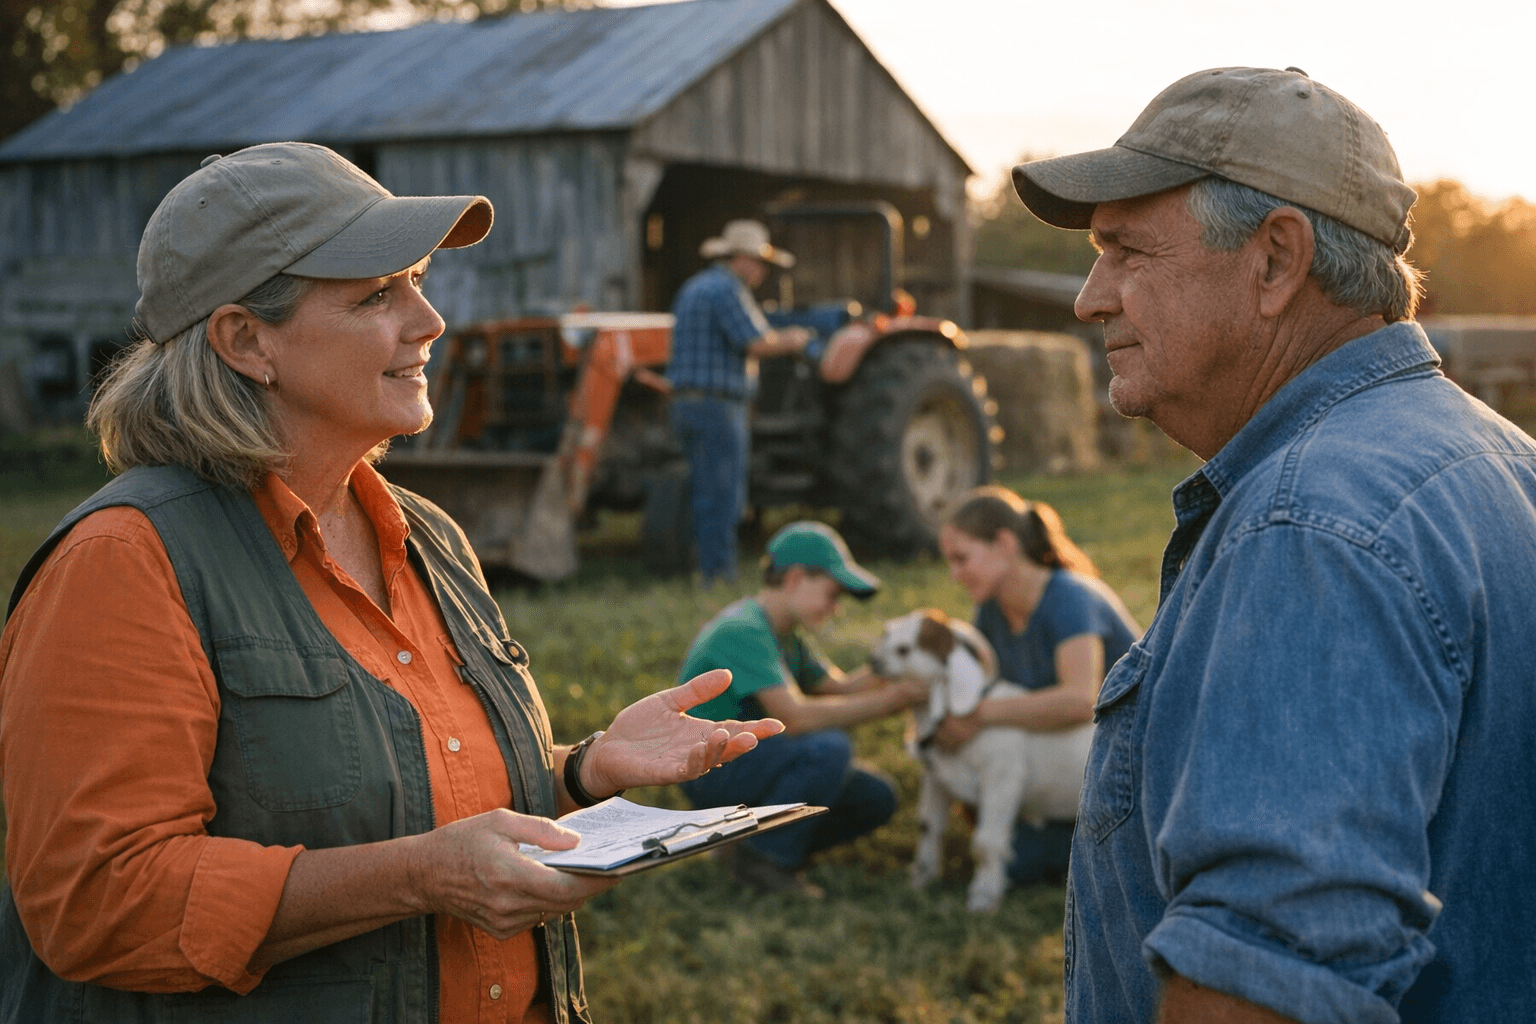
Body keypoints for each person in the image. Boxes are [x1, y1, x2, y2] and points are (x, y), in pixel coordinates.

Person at [0, 142, 783, 1024]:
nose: (429, 321)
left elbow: (407, 792)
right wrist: (419, 878)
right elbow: (97, 904)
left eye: (416, 281)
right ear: (246, 340)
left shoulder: (428, 535)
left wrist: (585, 770)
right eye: (377, 294)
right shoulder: (125, 562)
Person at [1008, 67, 1536, 1023]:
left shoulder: (1310, 529)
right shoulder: (1498, 460)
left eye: (1126, 250)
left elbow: (1259, 988)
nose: (1090, 299)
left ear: (1276, 261)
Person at [674, 521, 926, 896]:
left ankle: (743, 844)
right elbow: (795, 718)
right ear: (794, 579)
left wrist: (897, 662)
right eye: (832, 594)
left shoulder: (787, 633)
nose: (835, 608)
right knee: (828, 748)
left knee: (875, 798)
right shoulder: (744, 630)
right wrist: (893, 701)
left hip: (750, 760)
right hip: (710, 772)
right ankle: (765, 860)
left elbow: (837, 688)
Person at [934, 486, 1140, 886]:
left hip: (1129, 771)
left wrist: (975, 715)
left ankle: (1096, 843)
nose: (954, 574)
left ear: (1005, 544)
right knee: (1015, 859)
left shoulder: (1069, 597)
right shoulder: (991, 610)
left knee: (1019, 863)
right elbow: (983, 687)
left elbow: (1080, 701)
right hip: (1066, 766)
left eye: (961, 558)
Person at [667, 220, 812, 586]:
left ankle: (701, 569)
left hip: (687, 404)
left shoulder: (694, 287)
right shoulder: (728, 290)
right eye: (760, 262)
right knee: (724, 493)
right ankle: (719, 574)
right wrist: (794, 340)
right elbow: (756, 343)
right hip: (718, 406)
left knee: (703, 490)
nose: (762, 271)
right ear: (742, 260)